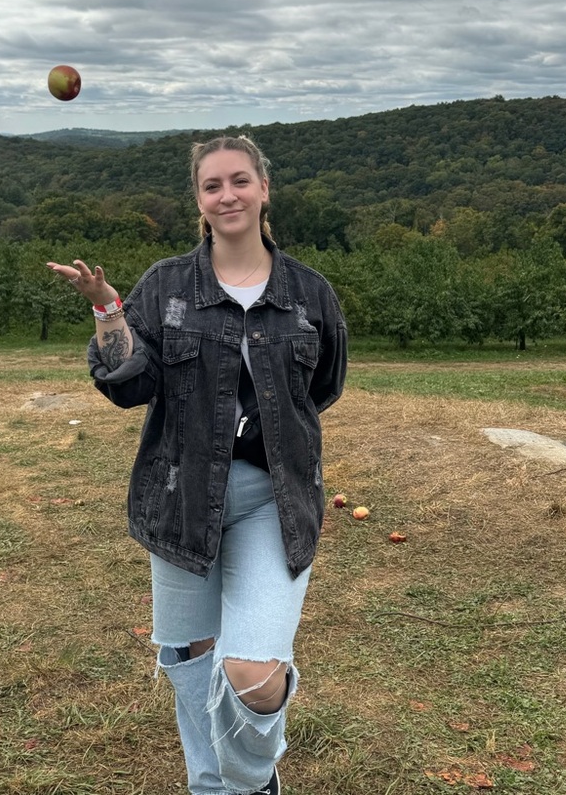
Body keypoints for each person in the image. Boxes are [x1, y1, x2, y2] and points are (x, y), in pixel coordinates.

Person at [48, 135, 347, 795]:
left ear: (264, 189)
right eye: (212, 186)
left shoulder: (309, 294)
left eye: (239, 180)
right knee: (191, 656)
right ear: (199, 201)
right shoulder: (165, 287)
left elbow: (322, 387)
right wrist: (107, 310)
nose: (227, 194)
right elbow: (130, 384)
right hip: (182, 494)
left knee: (252, 670)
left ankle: (248, 780)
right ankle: (218, 788)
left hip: (277, 495)